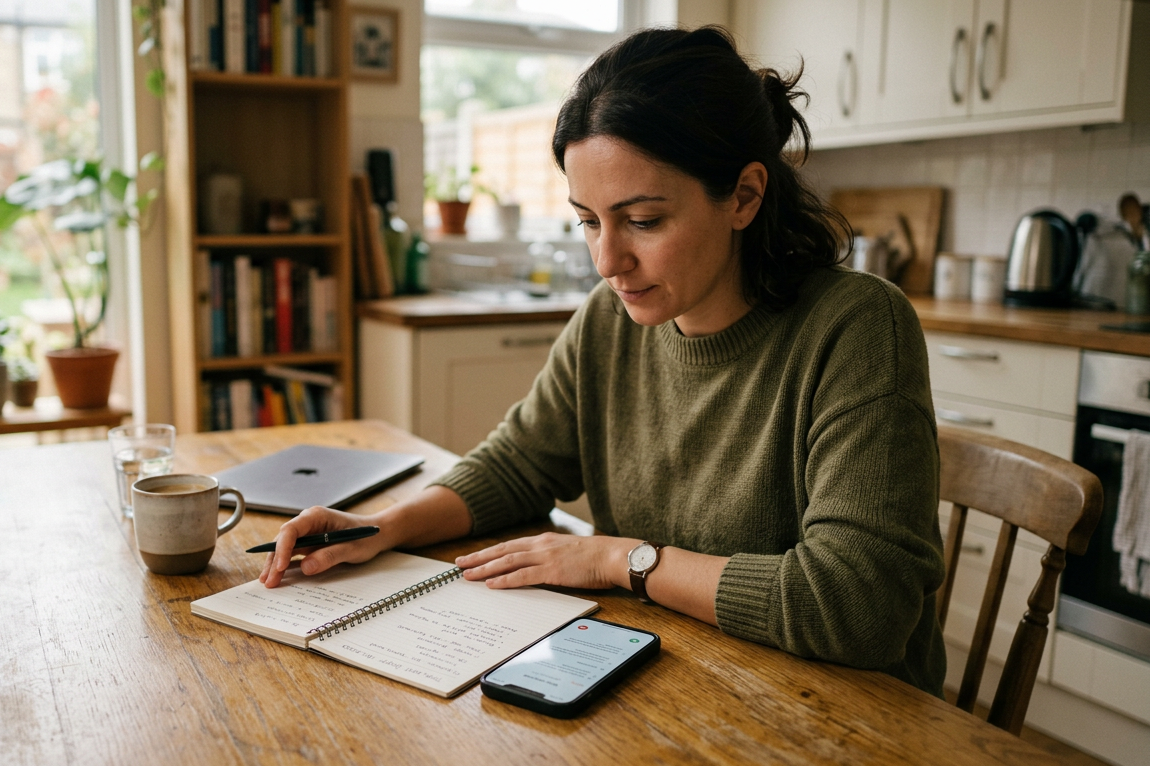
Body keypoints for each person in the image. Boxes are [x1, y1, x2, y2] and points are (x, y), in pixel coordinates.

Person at [260, 26, 948, 696]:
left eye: (643, 221)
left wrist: (618, 560)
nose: (608, 261)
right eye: (589, 220)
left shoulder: (857, 327)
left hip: (848, 713)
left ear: (744, 195)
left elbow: (860, 607)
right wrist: (382, 527)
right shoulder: (611, 318)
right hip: (684, 673)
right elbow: (518, 465)